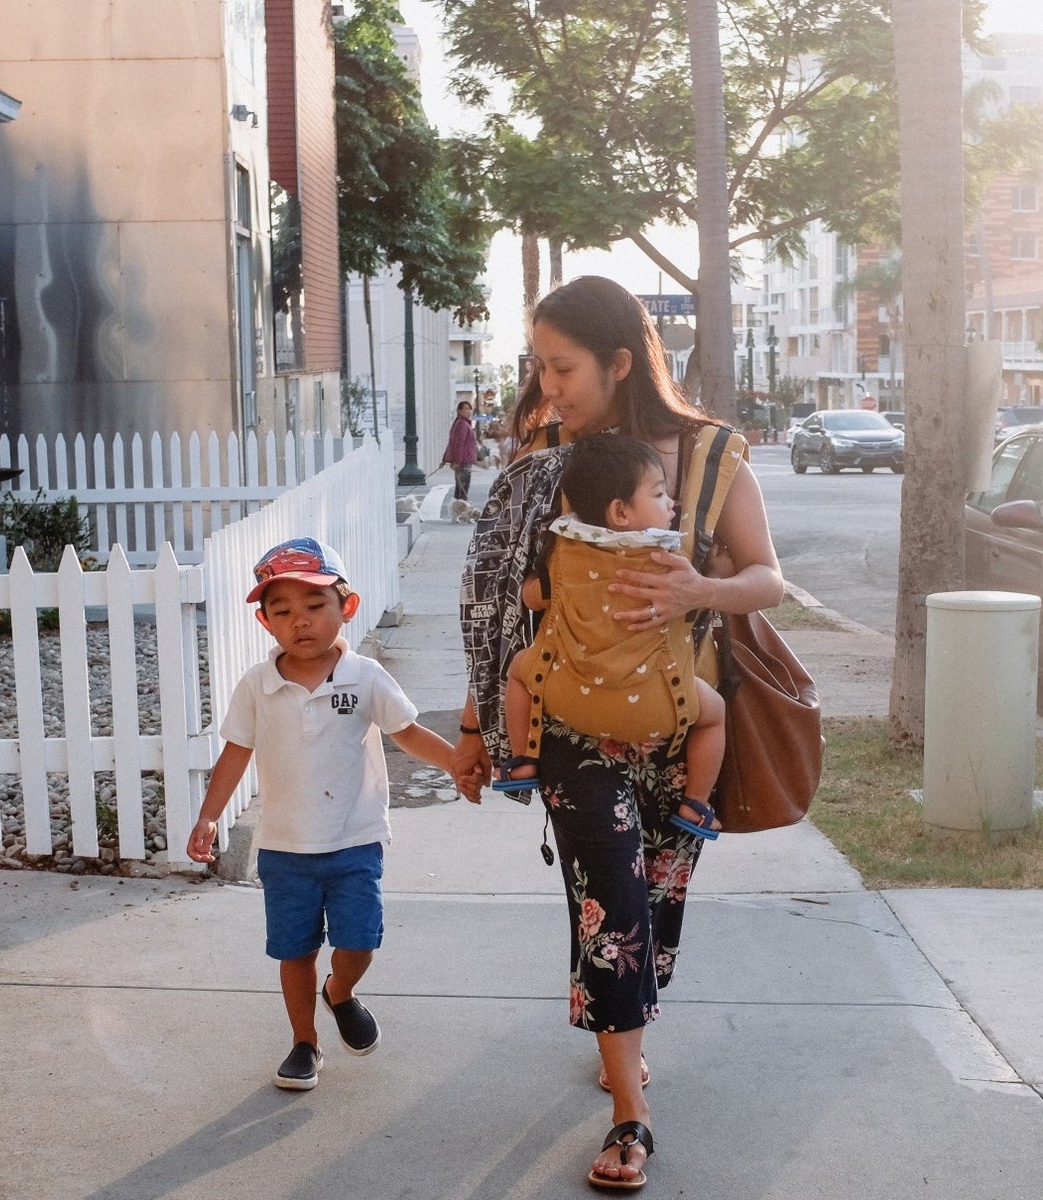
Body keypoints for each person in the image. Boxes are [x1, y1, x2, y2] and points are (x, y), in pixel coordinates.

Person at [454, 276, 784, 1191]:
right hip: (572, 732)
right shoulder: (549, 456)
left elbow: (767, 578)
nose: (547, 385)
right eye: (540, 366)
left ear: (621, 362)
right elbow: (498, 600)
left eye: (562, 367)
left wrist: (702, 590)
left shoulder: (713, 458)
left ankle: (621, 1028)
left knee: (653, 916)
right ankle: (631, 1117)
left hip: (685, 735)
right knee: (612, 907)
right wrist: (482, 718)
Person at [186, 536, 458, 1092]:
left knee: (359, 941)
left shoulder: (365, 677)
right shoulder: (257, 687)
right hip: (285, 847)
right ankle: (304, 1042)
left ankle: (341, 991)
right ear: (265, 623)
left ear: (346, 607)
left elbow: (407, 732)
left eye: (315, 606)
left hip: (355, 838)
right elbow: (236, 752)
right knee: (294, 950)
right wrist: (210, 816)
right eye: (282, 611)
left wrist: (459, 765)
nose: (300, 622)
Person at [492, 434, 726, 846]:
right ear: (619, 512)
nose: (671, 503)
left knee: (518, 674)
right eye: (659, 494)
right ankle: (696, 804)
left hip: (570, 700)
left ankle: (523, 760)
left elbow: (530, 596)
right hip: (657, 708)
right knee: (715, 714)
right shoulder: (670, 564)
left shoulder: (564, 555)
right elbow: (694, 609)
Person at [441, 399, 478, 510]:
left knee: (460, 487)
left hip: (463, 460)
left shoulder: (461, 424)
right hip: (463, 461)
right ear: (459, 411)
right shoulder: (462, 425)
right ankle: (461, 512)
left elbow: (452, 443)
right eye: (465, 409)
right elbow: (458, 444)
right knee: (463, 488)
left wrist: (445, 459)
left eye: (469, 409)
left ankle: (457, 511)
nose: (468, 411)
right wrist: (456, 461)